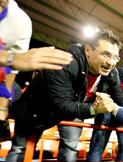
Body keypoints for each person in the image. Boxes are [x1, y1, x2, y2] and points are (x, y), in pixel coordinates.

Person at [0, 29, 123, 162]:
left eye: (115, 57)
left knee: (70, 151)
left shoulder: (111, 73)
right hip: (36, 110)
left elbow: (119, 97)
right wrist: (93, 110)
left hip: (70, 110)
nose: (111, 62)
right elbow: (61, 104)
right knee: (19, 151)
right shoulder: (66, 61)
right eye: (106, 55)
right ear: (88, 50)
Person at [0, 0, 73, 139]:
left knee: (14, 93)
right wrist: (11, 58)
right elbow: (12, 60)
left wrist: (2, 108)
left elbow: (11, 70)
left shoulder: (20, 21)